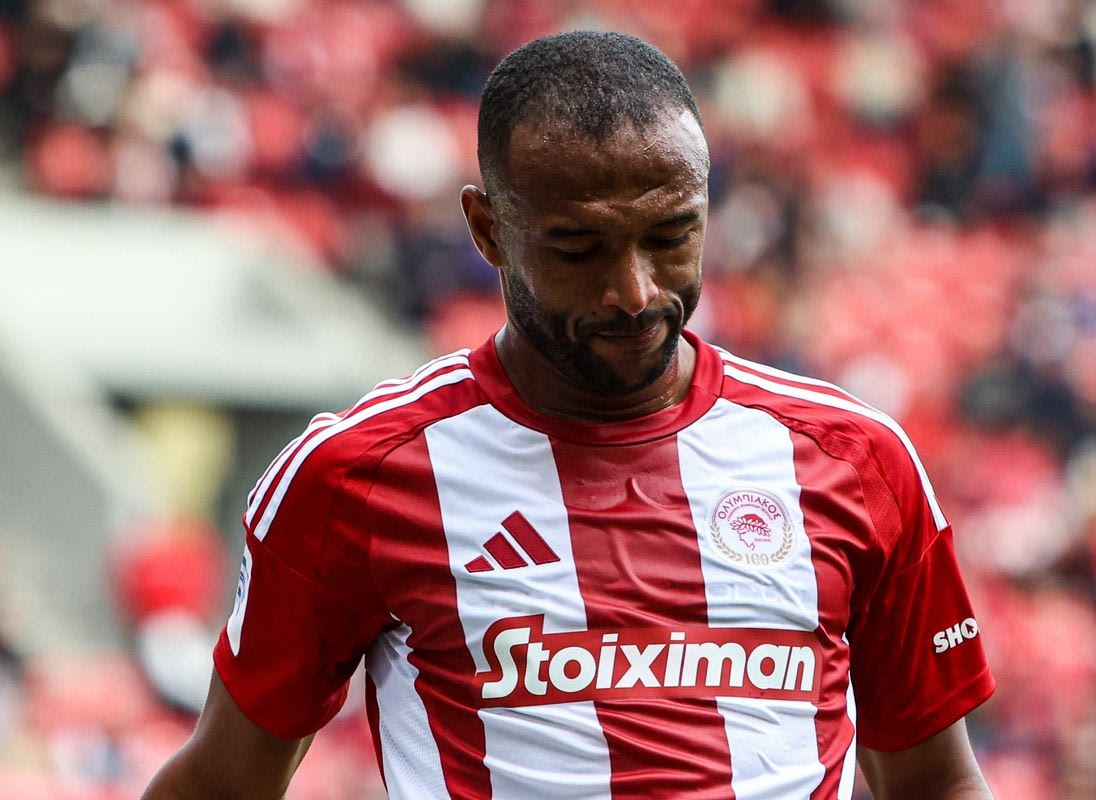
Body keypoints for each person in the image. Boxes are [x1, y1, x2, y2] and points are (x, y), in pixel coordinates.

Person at [143, 31, 994, 800]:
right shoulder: (357, 477)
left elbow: (937, 782)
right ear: (488, 230)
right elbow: (221, 783)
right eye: (580, 249)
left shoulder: (854, 461)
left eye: (671, 236)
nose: (635, 292)